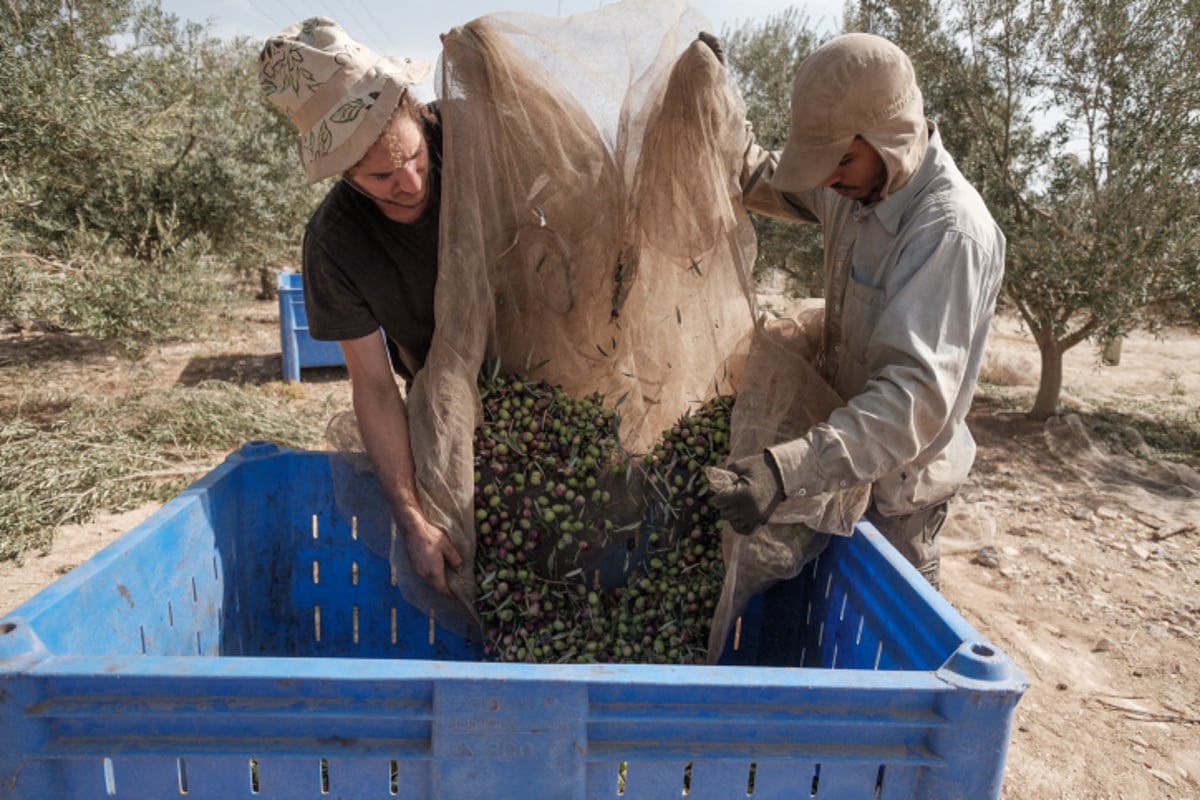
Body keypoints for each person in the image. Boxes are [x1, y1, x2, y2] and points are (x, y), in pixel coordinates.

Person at [713, 32, 1006, 589]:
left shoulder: (947, 232)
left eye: (841, 159)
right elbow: (756, 177)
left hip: (896, 502)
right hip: (836, 474)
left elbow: (911, 401)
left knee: (878, 645)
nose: (827, 178)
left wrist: (784, 469)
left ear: (890, 137)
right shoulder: (851, 184)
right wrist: (715, 94)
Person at [259, 17, 462, 595]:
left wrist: (490, 66)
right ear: (344, 173)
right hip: (450, 402)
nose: (411, 183)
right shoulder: (334, 245)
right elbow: (373, 385)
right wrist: (413, 521)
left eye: (414, 157)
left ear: (414, 112)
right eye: (381, 175)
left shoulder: (468, 137)